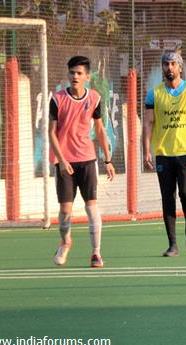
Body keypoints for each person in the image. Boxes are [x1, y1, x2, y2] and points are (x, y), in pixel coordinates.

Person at [49, 55, 115, 268]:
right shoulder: (57, 99)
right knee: (65, 211)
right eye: (71, 73)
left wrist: (108, 160)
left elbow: (100, 129)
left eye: (79, 73)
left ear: (87, 77)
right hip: (63, 161)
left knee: (91, 207)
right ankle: (65, 241)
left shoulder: (94, 98)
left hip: (87, 159)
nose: (74, 76)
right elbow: (51, 133)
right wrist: (61, 160)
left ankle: (96, 253)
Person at [143, 49, 186, 257]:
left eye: (173, 64)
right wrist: (146, 151)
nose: (169, 68)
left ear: (180, 67)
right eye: (166, 64)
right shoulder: (154, 93)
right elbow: (148, 123)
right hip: (163, 154)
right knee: (167, 198)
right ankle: (172, 244)